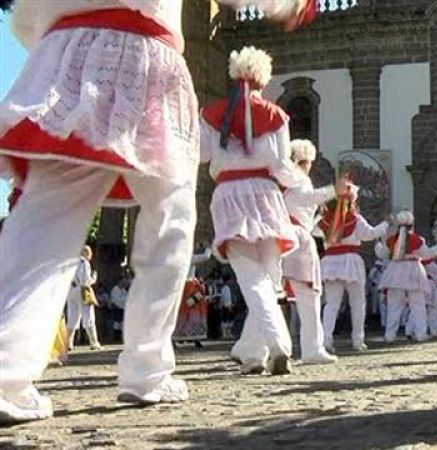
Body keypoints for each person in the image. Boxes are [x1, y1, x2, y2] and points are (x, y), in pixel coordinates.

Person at [0, 0, 315, 424]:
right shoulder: (272, 117)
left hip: (71, 49)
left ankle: (6, 375)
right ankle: (146, 370)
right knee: (170, 220)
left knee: (46, 217)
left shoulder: (223, 114)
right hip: (144, 55)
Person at [202, 46, 310, 376]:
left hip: (230, 195)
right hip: (266, 197)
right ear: (264, 79)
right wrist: (301, 178)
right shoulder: (276, 115)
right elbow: (280, 165)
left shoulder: (211, 113)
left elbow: (203, 154)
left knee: (253, 278)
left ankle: (264, 348)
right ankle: (262, 349)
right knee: (267, 278)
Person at [283, 138, 345, 364]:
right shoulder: (299, 179)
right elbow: (306, 198)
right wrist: (333, 191)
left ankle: (259, 348)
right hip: (297, 239)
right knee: (309, 295)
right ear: (305, 161)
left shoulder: (282, 179)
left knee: (270, 294)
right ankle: (312, 348)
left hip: (281, 236)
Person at [319, 189, 389, 352]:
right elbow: (370, 235)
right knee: (357, 302)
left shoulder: (324, 221)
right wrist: (385, 224)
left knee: (331, 304)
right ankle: (358, 340)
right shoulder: (355, 219)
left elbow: (317, 234)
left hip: (331, 263)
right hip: (351, 261)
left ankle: (325, 339)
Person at [377, 211, 437, 343]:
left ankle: (390, 336)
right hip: (413, 270)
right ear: (412, 225)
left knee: (394, 306)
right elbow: (426, 254)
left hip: (395, 271)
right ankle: (420, 334)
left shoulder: (391, 240)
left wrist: (378, 244)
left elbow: (383, 254)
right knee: (417, 304)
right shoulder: (417, 240)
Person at [66, 245, 103, 351]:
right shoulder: (84, 263)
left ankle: (68, 343)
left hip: (70, 291)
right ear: (87, 253)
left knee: (72, 317)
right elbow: (85, 281)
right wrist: (94, 279)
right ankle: (94, 342)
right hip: (82, 291)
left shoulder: (71, 263)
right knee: (88, 316)